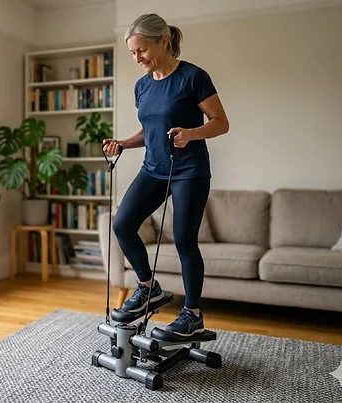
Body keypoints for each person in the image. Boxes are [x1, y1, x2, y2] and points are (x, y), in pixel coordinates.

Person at [103, 13, 229, 337]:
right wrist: (123, 144)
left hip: (189, 170)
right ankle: (148, 288)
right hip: (154, 168)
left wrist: (192, 133)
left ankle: (192, 313)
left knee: (185, 240)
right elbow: (150, 131)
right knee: (122, 223)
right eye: (132, 53)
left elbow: (220, 122)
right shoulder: (142, 86)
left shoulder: (192, 77)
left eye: (141, 50)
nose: (137, 58)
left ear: (163, 41)